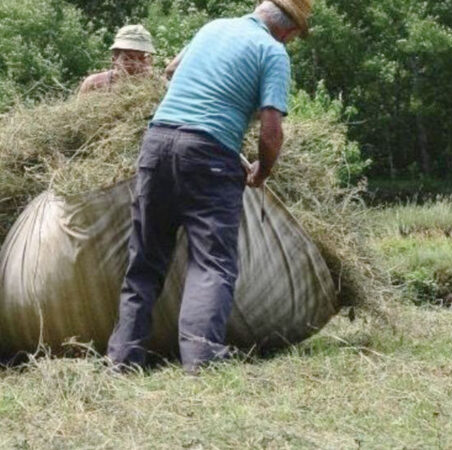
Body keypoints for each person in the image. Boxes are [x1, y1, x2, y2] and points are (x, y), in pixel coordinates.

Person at [107, 0, 312, 374]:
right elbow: (271, 131)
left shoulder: (213, 27)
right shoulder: (273, 51)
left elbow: (170, 70)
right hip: (209, 157)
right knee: (211, 262)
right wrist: (261, 172)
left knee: (146, 258)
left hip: (157, 141)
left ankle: (123, 358)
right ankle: (201, 357)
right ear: (290, 29)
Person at [79, 24, 156, 94]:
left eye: (142, 58)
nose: (136, 64)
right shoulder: (94, 84)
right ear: (114, 60)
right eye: (128, 58)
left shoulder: (158, 87)